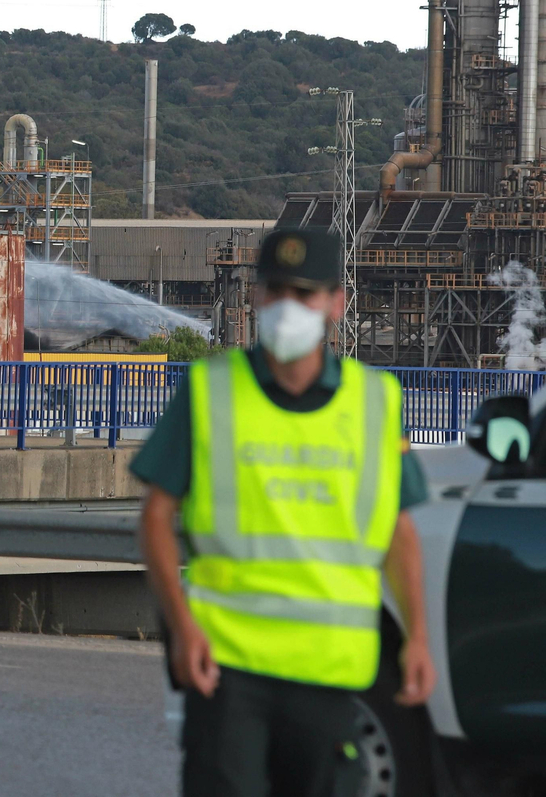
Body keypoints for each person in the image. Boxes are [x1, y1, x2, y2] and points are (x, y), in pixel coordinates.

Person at [133, 227, 438, 797]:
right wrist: (181, 629)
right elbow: (155, 517)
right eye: (275, 291)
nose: (288, 307)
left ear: (336, 303)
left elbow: (400, 530)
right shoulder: (208, 390)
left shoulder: (375, 403)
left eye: (305, 293)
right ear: (255, 297)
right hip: (226, 665)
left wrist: (417, 638)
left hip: (328, 670)